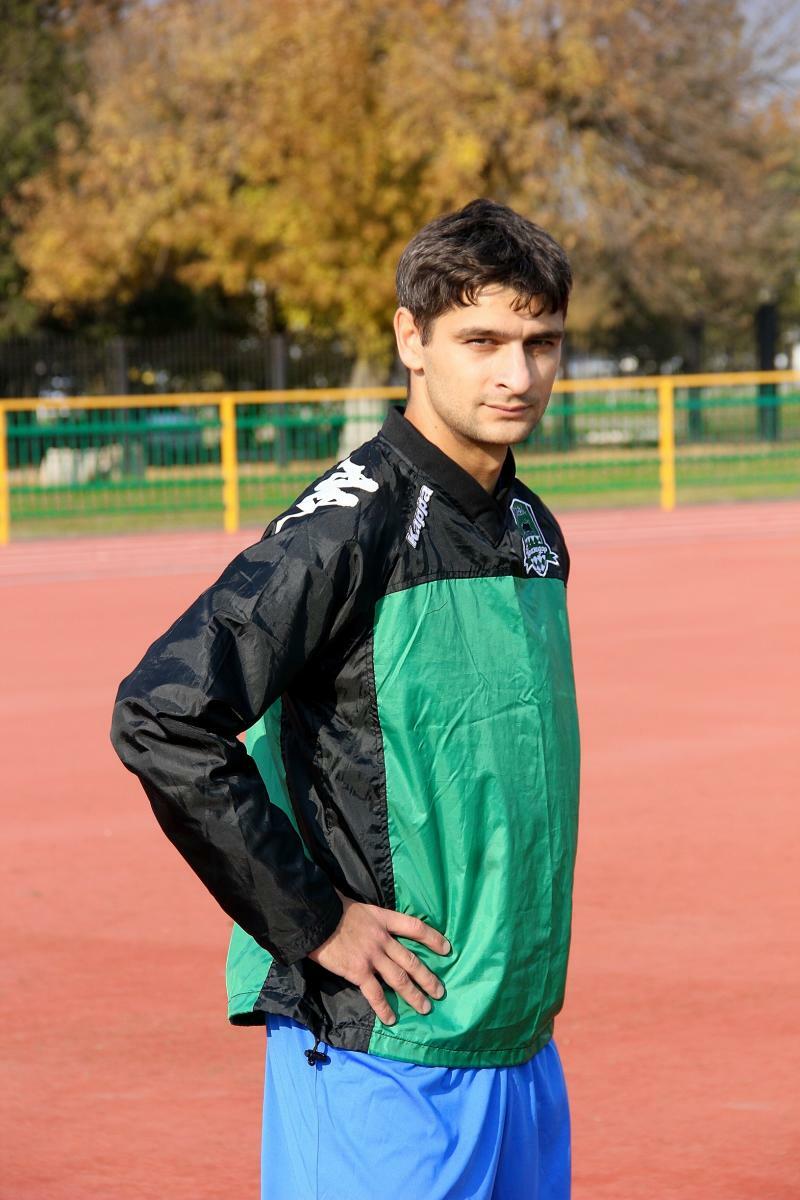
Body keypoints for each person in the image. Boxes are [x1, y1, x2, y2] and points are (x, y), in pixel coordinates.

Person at [111, 198, 580, 1199]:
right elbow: (163, 713)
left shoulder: (532, 528)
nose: (517, 374)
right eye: (482, 341)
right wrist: (313, 920)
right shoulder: (347, 527)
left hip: (514, 1041)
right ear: (412, 339)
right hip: (383, 1050)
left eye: (540, 343)